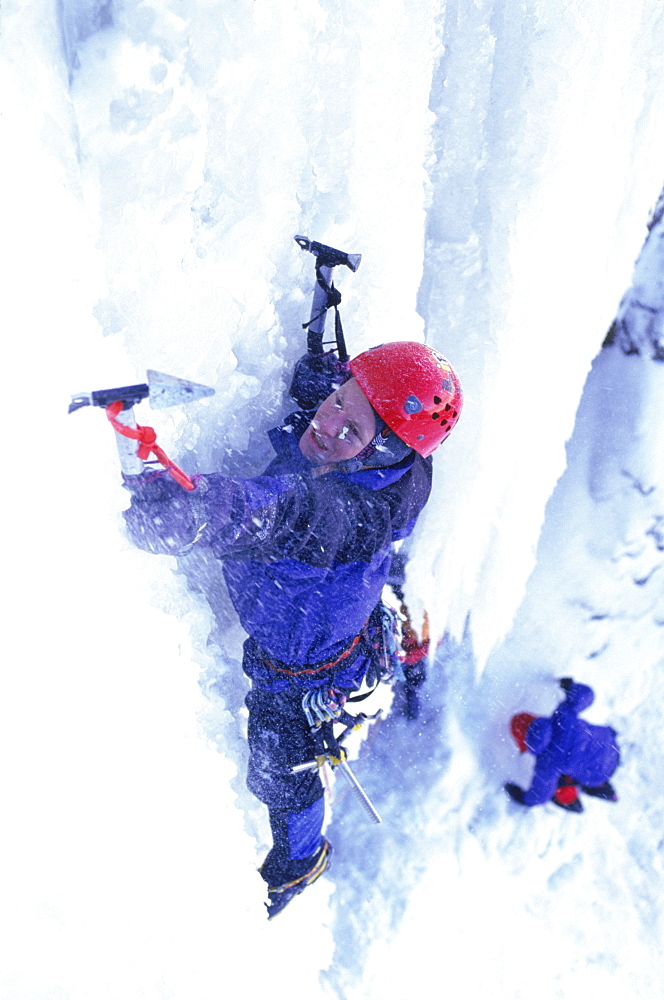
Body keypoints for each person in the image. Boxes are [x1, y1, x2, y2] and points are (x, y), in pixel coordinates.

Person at [121, 265, 462, 917]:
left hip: (299, 670)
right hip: (329, 613)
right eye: (341, 399)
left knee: (281, 769)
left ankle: (300, 863)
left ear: (378, 457)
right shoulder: (393, 464)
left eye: (352, 429)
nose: (329, 421)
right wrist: (325, 364)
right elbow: (339, 413)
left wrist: (190, 512)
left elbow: (271, 513)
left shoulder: (340, 515)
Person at [505, 678, 620, 813]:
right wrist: (571, 688)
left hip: (597, 772)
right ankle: (604, 789)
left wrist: (524, 799)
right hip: (611, 747)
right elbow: (587, 694)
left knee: (562, 782)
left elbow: (541, 793)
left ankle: (572, 801)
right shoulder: (562, 716)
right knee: (585, 759)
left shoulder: (547, 762)